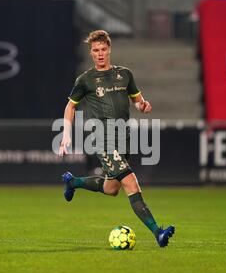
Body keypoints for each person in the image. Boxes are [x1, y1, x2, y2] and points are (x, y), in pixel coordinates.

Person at [58, 30, 175, 247]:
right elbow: (70, 106)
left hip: (124, 139)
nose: (100, 54)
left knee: (112, 189)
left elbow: (138, 100)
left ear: (109, 49)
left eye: (103, 49)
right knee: (132, 184)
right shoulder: (85, 80)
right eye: (95, 50)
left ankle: (73, 182)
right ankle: (158, 232)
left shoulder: (125, 74)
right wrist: (66, 134)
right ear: (91, 52)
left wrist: (143, 105)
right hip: (103, 140)